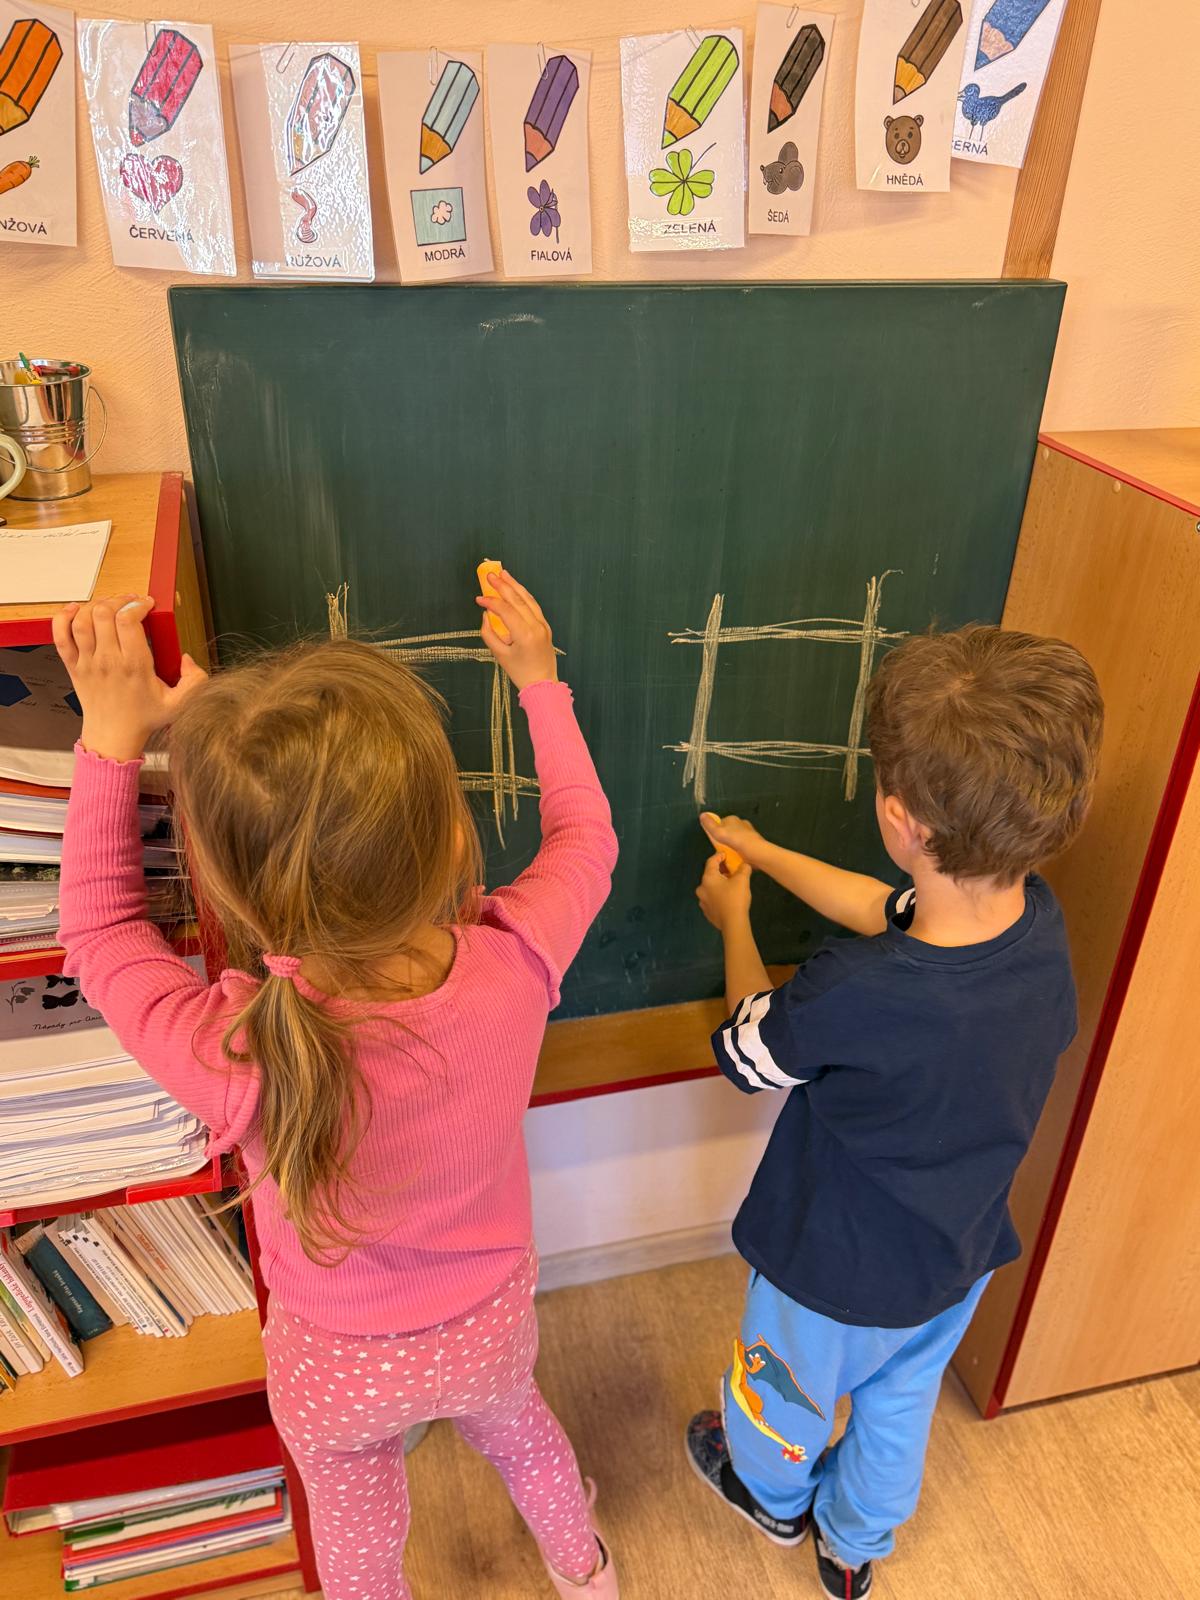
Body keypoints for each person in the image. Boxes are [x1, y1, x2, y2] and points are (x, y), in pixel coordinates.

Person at [53, 572, 620, 1600]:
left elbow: (99, 931)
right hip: (489, 1323)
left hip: (335, 1360)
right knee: (522, 1432)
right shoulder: (517, 959)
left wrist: (112, 738)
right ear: (452, 837)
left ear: (232, 892)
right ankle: (586, 1573)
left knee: (357, 1537)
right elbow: (586, 838)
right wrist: (540, 682)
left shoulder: (237, 1049)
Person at [685, 625, 1103, 1599]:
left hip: (831, 1270)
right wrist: (764, 853)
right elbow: (888, 908)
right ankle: (853, 1545)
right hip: (954, 1256)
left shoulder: (854, 991)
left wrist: (735, 920)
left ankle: (769, 1497)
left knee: (780, 1397)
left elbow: (752, 1050)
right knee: (898, 1402)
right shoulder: (1036, 926)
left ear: (897, 817)